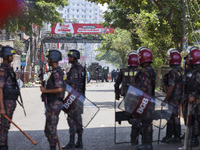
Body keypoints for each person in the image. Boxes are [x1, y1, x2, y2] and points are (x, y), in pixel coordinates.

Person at [40, 50, 65, 150]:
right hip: (52, 103)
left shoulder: (56, 73)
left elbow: (59, 89)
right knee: (48, 130)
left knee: (51, 130)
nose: (48, 60)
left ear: (53, 59)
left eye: (49, 59)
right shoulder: (55, 72)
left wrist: (45, 90)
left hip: (55, 104)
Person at [114, 50, 140, 145]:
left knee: (130, 115)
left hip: (127, 97)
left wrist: (117, 94)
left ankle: (134, 137)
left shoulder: (123, 71)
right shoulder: (140, 71)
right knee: (137, 115)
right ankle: (137, 133)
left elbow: (116, 84)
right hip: (139, 97)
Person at [62, 49, 85, 149]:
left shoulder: (74, 69)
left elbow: (73, 84)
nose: (69, 58)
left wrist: (64, 84)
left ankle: (72, 143)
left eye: (70, 56)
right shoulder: (81, 68)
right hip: (80, 96)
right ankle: (79, 142)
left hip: (74, 97)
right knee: (78, 119)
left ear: (74, 57)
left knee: (71, 119)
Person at [135, 47, 156, 150]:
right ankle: (148, 143)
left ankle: (146, 144)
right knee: (148, 123)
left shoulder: (144, 72)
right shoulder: (152, 70)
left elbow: (144, 88)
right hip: (151, 100)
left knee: (145, 123)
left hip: (145, 100)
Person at [161, 48, 183, 144]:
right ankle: (169, 135)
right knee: (171, 116)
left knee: (173, 116)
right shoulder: (181, 70)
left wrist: (165, 99)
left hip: (173, 97)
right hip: (181, 96)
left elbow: (171, 86)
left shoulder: (172, 72)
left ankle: (176, 137)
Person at [0, 46, 19, 150]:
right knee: (4, 126)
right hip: (5, 102)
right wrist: (2, 108)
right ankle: (3, 146)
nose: (13, 57)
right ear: (7, 56)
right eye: (11, 55)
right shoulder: (2, 70)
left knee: (6, 126)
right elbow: (0, 89)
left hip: (10, 102)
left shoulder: (9, 69)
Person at [183, 46, 200, 147]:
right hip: (190, 101)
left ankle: (195, 138)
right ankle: (192, 138)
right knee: (192, 120)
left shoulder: (198, 71)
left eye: (189, 57)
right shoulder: (190, 70)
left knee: (196, 120)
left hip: (196, 101)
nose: (187, 59)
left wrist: (196, 97)